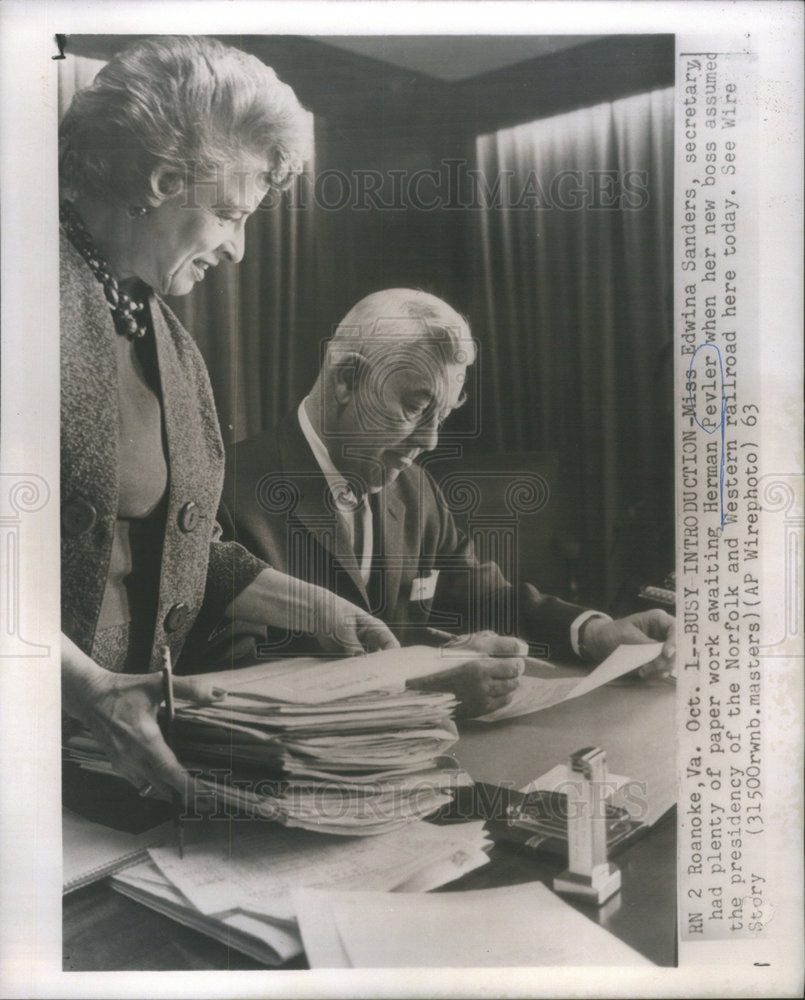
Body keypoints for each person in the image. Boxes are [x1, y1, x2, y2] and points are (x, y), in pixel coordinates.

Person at [59, 37, 398, 803]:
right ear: (161, 179)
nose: (239, 249)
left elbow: (177, 545)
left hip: (104, 766)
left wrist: (317, 608)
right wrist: (85, 687)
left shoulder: (158, 330)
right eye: (228, 214)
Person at [216, 289, 676, 717]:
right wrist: (419, 689)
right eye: (416, 408)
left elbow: (486, 598)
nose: (431, 439)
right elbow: (232, 684)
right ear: (346, 380)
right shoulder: (226, 495)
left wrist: (594, 632)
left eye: (444, 415)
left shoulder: (414, 489)